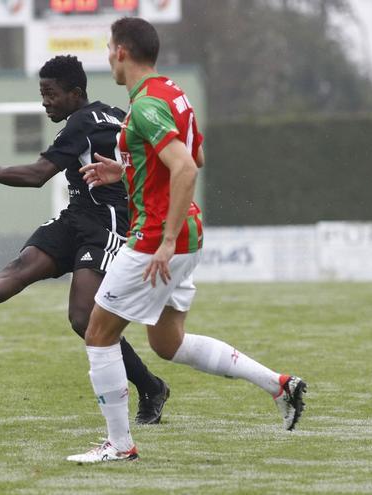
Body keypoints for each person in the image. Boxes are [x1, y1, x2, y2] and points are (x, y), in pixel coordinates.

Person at [66, 17, 307, 463]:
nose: (107, 58)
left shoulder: (145, 106)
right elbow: (194, 153)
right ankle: (279, 385)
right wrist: (125, 170)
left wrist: (164, 239)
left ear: (121, 52)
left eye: (108, 49)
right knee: (167, 342)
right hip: (185, 237)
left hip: (159, 239)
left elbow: (187, 167)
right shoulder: (172, 93)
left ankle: (119, 446)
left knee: (98, 334)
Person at [0, 55, 171, 425]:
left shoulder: (81, 122)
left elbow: (37, 175)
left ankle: (151, 386)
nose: (45, 102)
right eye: (42, 93)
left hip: (106, 221)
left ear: (75, 93)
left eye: (51, 93)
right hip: (77, 214)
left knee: (83, 318)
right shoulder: (115, 113)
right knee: (21, 268)